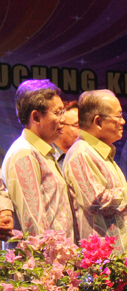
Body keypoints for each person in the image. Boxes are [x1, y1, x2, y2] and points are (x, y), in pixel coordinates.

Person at [64, 89, 127, 255]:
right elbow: (95, 200)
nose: (123, 121)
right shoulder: (82, 153)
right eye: (118, 116)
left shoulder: (100, 152)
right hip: (105, 264)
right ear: (98, 121)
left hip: (121, 261)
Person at [1, 79, 74, 239]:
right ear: (36, 117)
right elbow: (34, 226)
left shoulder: (42, 152)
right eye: (58, 112)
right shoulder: (24, 154)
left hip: (58, 261)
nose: (64, 120)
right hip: (43, 262)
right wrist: (50, 263)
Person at [51, 101, 79, 171]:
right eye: (77, 125)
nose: (84, 131)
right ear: (60, 127)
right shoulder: (46, 158)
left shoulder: (85, 155)